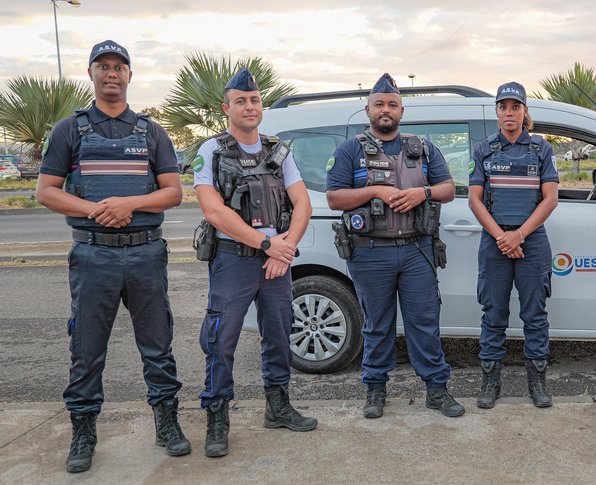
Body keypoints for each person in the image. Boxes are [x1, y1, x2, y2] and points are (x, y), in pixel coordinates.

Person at [36, 40, 190, 473]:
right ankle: (83, 431)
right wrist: (96, 210)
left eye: (119, 66)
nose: (111, 73)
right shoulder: (70, 129)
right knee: (86, 350)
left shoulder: (150, 130)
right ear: (91, 73)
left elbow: (174, 192)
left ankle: (167, 422)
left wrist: (129, 206)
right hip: (93, 256)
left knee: (158, 346)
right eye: (103, 66)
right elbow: (45, 191)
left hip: (145, 254)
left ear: (129, 75)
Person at [325, 73, 464, 418]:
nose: (385, 110)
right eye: (378, 105)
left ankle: (436, 390)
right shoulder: (349, 150)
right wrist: (373, 191)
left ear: (402, 110)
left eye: (391, 105)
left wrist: (424, 192)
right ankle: (375, 390)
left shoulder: (424, 149)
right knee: (376, 324)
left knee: (424, 322)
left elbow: (449, 189)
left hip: (417, 250)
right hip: (370, 251)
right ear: (367, 109)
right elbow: (333, 197)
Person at [193, 68, 315, 457]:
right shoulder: (211, 150)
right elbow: (214, 211)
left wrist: (286, 248)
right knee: (221, 340)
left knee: (280, 334)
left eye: (255, 99)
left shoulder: (279, 151)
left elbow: (303, 203)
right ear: (226, 107)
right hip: (234, 262)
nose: (250, 106)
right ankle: (217, 416)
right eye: (241, 100)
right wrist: (268, 245)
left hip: (276, 261)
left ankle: (277, 407)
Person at [468, 82, 560, 409]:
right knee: (493, 314)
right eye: (503, 107)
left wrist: (518, 235)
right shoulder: (483, 150)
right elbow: (475, 201)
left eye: (515, 107)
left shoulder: (541, 149)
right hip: (495, 242)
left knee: (535, 314)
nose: (510, 113)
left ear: (524, 111)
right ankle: (491, 382)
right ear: (496, 112)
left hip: (531, 241)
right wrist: (502, 238)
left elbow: (550, 200)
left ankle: (537, 382)